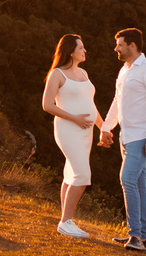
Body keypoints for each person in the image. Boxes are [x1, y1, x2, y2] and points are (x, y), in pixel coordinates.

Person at [98, 27, 146, 252]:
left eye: (119, 44)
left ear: (133, 46)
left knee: (127, 179)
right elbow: (117, 102)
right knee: (137, 184)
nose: (116, 48)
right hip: (125, 137)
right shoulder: (124, 70)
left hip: (142, 137)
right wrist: (106, 128)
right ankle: (141, 237)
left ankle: (135, 235)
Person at [41, 34, 103, 239]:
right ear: (70, 51)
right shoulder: (57, 74)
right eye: (81, 48)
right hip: (68, 129)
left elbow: (90, 105)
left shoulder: (84, 73)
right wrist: (75, 118)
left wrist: (103, 128)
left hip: (87, 132)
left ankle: (66, 221)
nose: (84, 51)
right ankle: (66, 222)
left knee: (71, 173)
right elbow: (47, 105)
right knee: (82, 174)